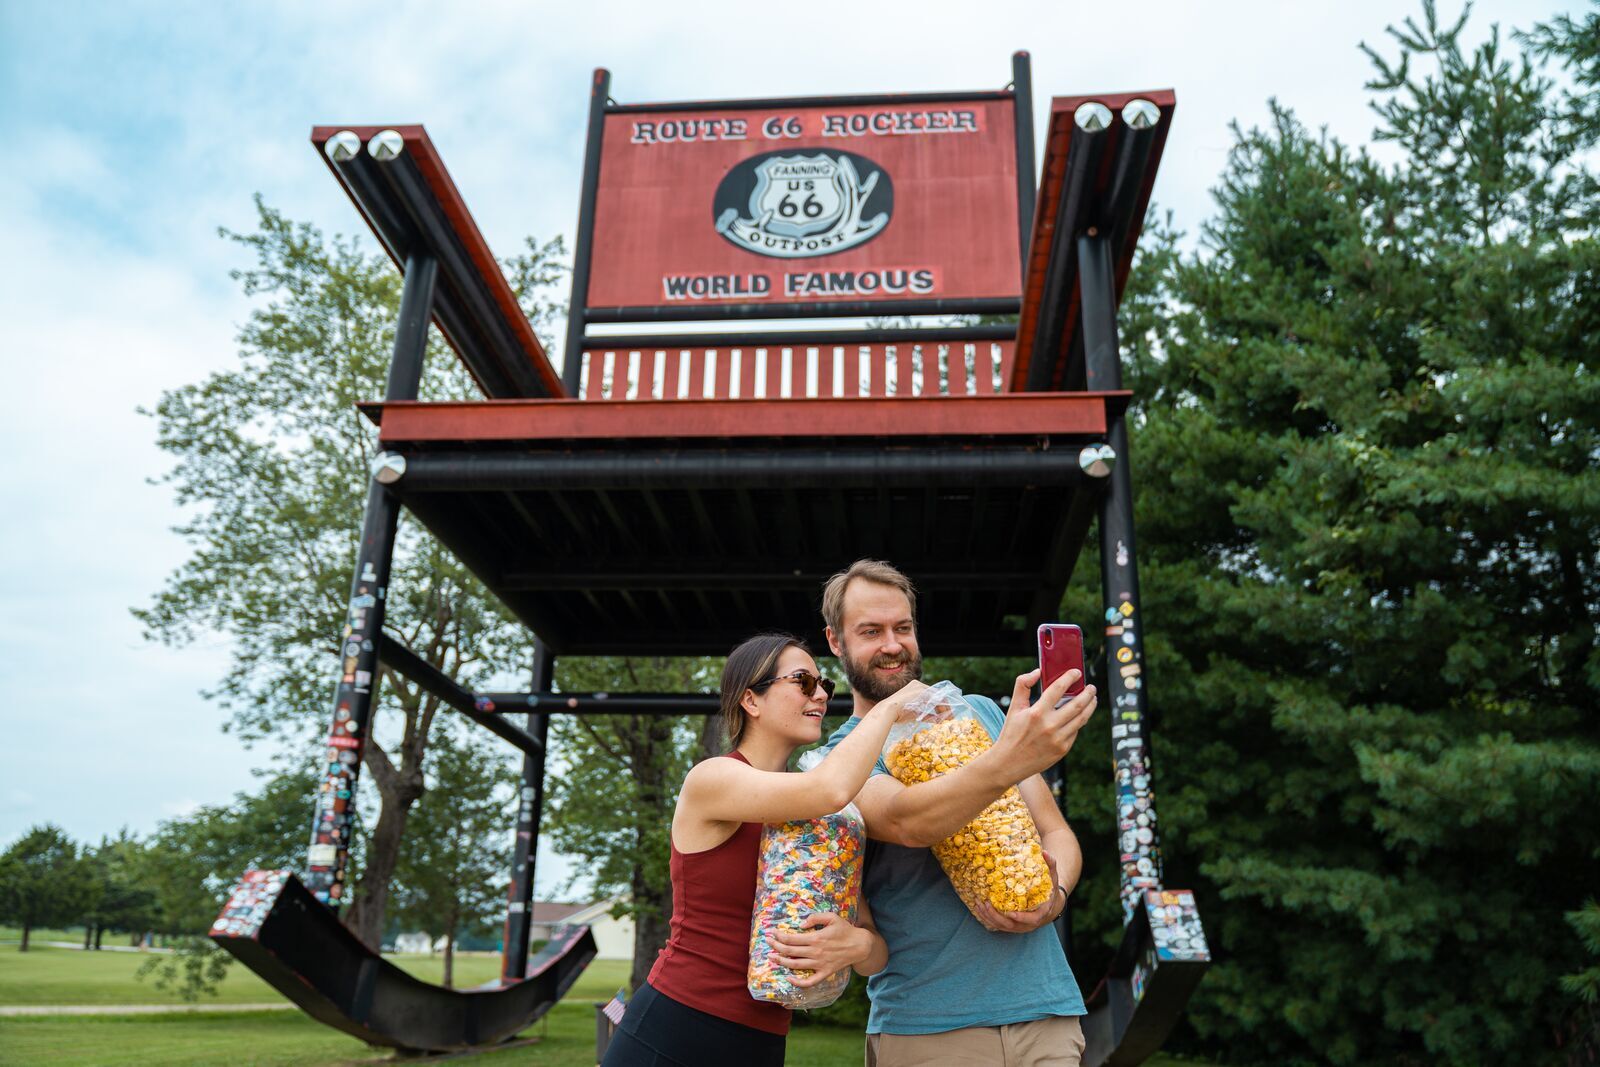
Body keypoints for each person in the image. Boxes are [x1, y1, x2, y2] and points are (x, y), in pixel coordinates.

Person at [814, 559, 1099, 1067]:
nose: (892, 645)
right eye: (870, 631)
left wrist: (1053, 899)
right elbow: (907, 822)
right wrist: (1006, 760)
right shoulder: (839, 758)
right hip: (930, 1028)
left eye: (902, 627)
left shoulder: (983, 713)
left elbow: (1056, 833)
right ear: (835, 641)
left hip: (1047, 1014)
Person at [603, 632, 919, 1067]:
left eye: (824, 685)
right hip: (676, 1027)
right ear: (751, 700)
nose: (822, 696)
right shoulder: (714, 779)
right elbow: (829, 787)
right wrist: (889, 705)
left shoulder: (823, 822)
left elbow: (874, 949)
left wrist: (857, 947)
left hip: (763, 1040)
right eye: (803, 682)